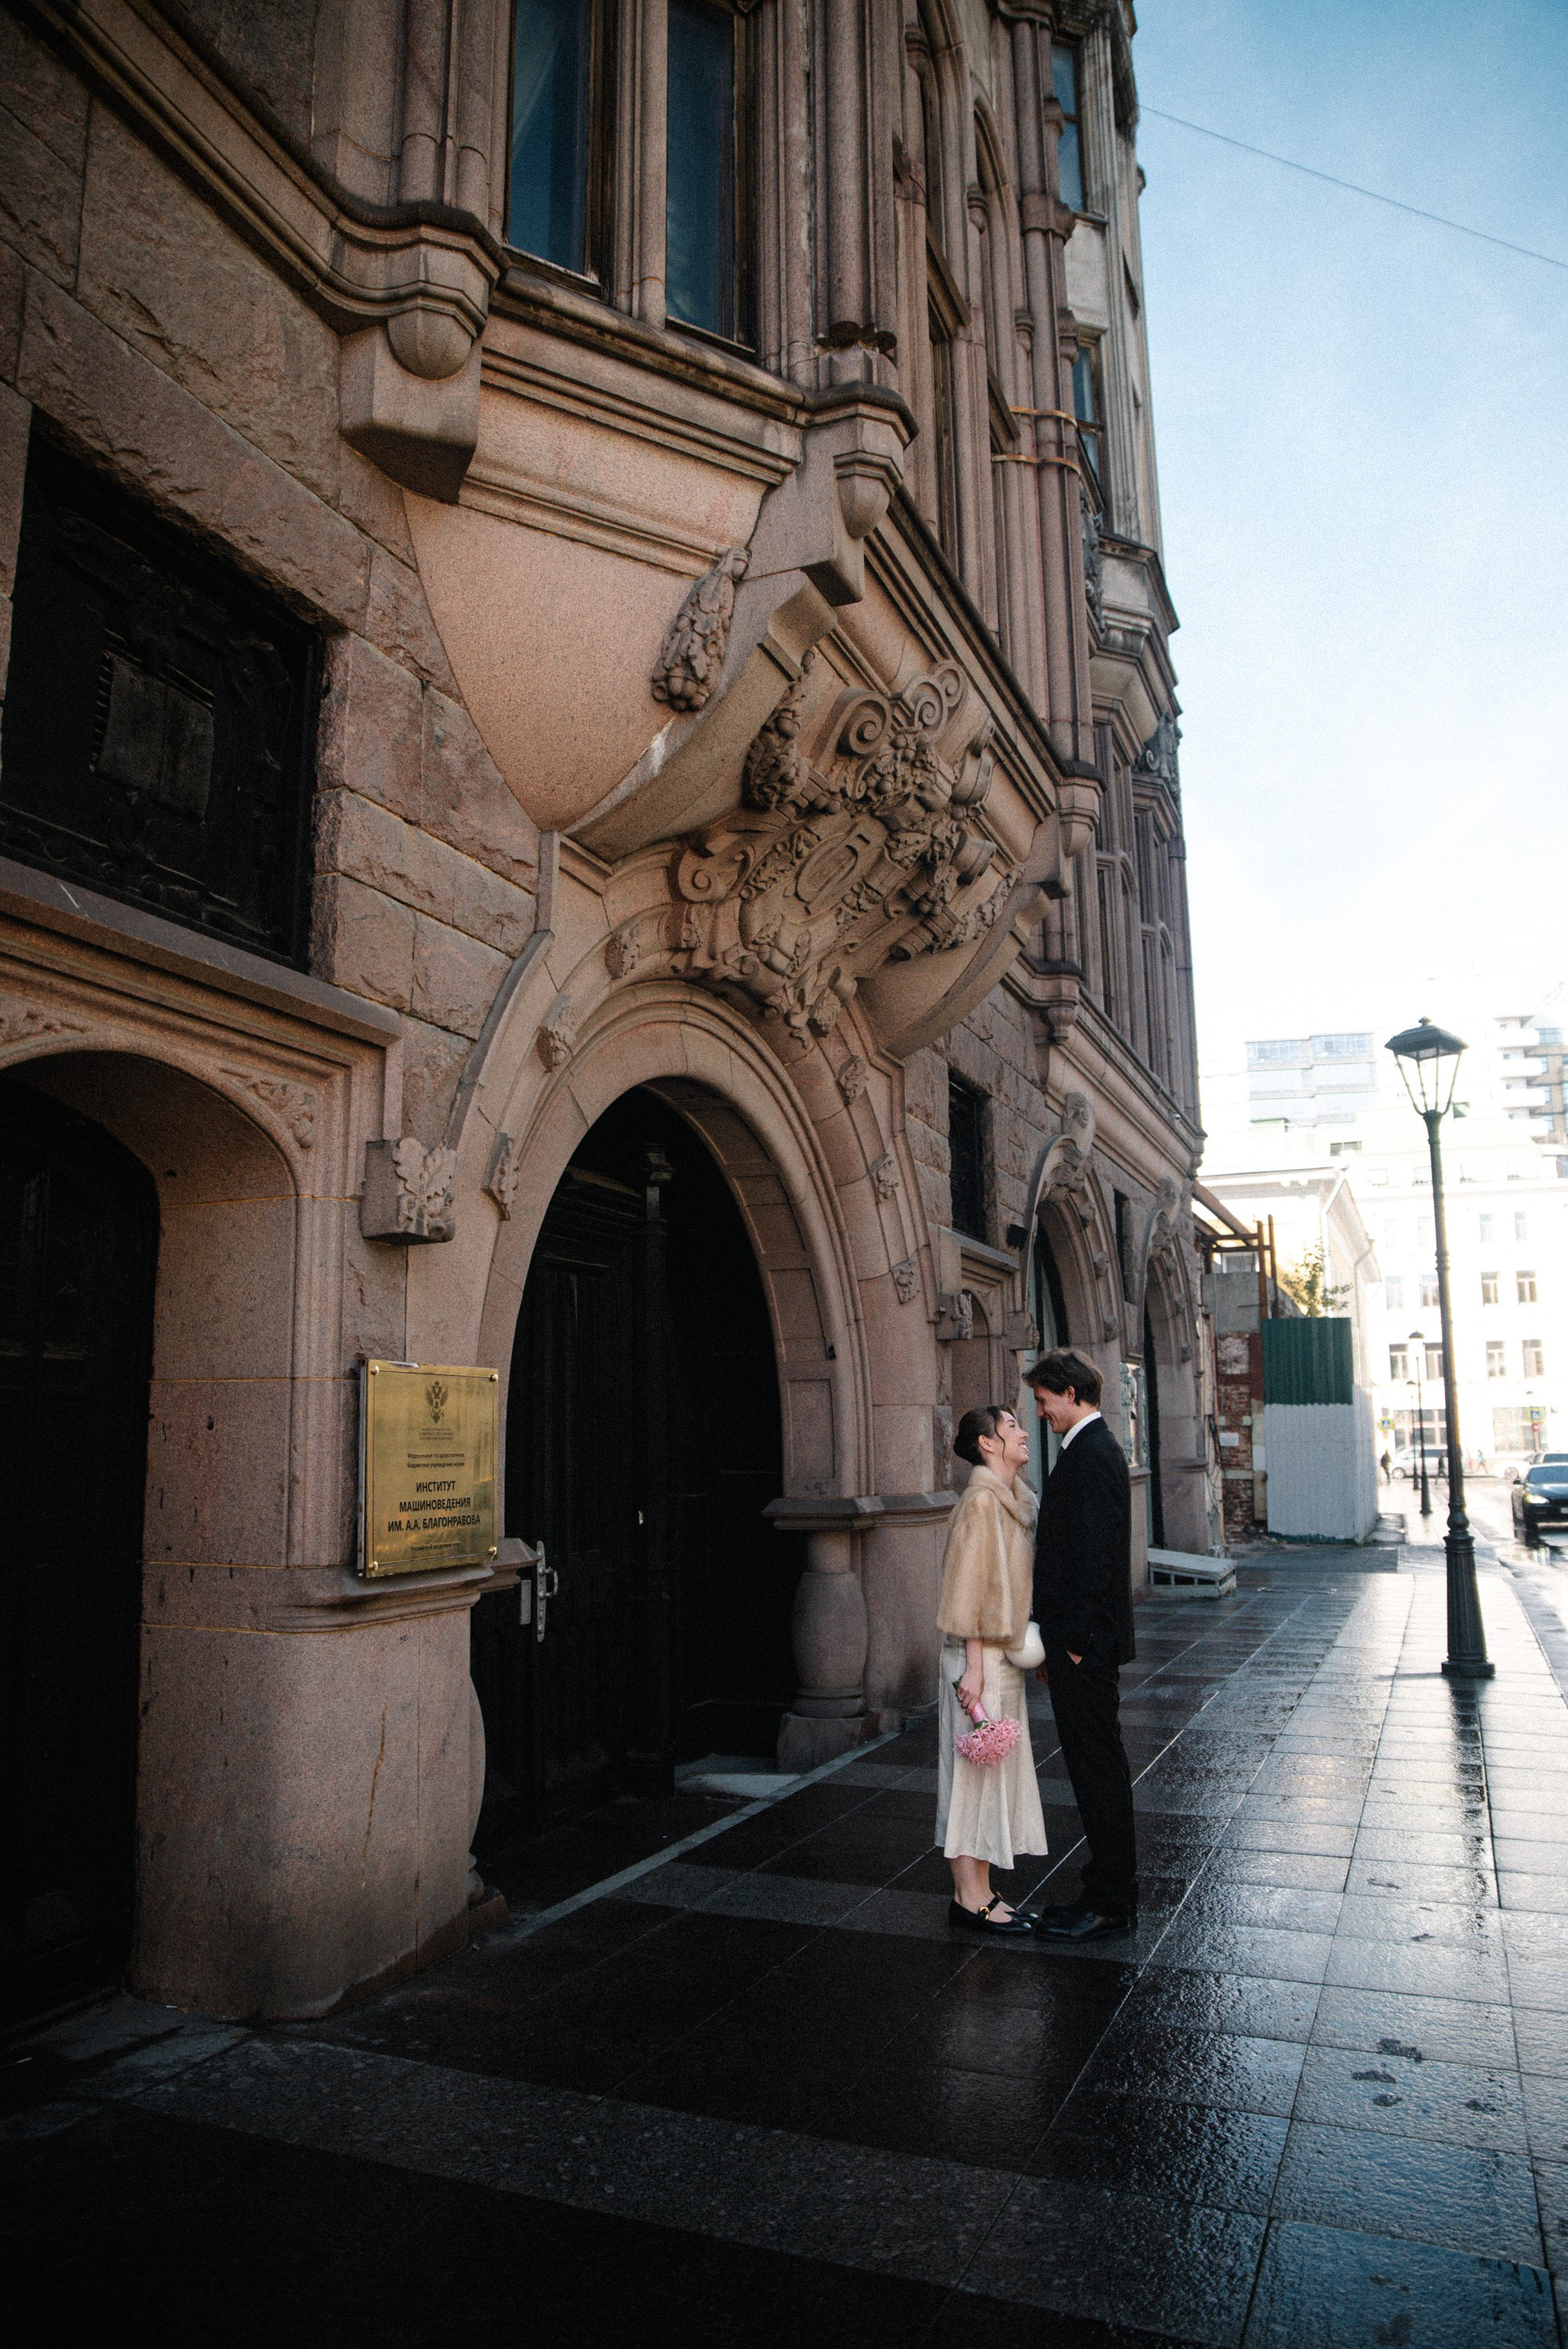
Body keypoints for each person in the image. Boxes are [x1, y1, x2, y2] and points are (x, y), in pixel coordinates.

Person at [1026, 1348, 1137, 1940]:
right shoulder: (1086, 1450)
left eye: (1043, 1401)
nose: (1039, 1412)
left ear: (1070, 1393)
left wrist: (1070, 1643)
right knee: (1093, 1770)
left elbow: (1093, 1559)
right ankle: (1102, 1891)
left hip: (1084, 1647)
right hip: (1077, 1644)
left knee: (1097, 1772)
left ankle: (1110, 1904)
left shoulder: (1091, 1453)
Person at [934, 1404, 1048, 1938]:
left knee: (988, 1774)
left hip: (997, 1657)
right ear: (986, 1443)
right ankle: (968, 1897)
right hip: (975, 1659)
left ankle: (980, 1888)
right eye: (1010, 1427)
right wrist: (974, 1669)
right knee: (971, 1779)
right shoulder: (981, 1502)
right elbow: (967, 1591)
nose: (1023, 1433)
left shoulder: (1008, 1502)